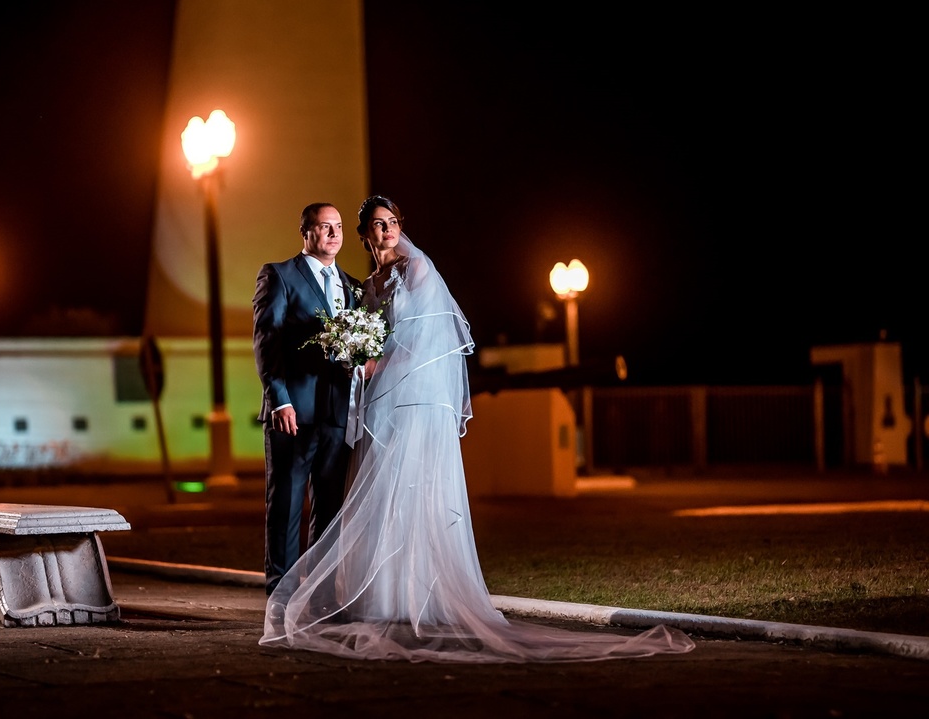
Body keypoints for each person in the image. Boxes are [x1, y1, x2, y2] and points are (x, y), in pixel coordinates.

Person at [260, 195, 696, 663]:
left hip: (407, 400)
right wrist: (306, 386)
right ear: (363, 234)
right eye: (376, 225)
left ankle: (396, 594)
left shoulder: (413, 271)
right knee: (341, 497)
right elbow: (273, 339)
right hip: (352, 407)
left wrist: (375, 365)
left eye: (390, 222)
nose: (385, 231)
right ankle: (322, 595)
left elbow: (427, 337)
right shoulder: (345, 283)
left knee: (382, 496)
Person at [253, 202, 363, 596]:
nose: (334, 234)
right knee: (285, 505)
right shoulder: (279, 275)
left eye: (339, 227)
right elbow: (267, 341)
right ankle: (281, 596)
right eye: (324, 226)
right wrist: (279, 399)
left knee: (330, 510)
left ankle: (319, 595)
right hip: (293, 413)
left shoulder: (353, 286)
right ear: (306, 232)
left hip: (337, 413)